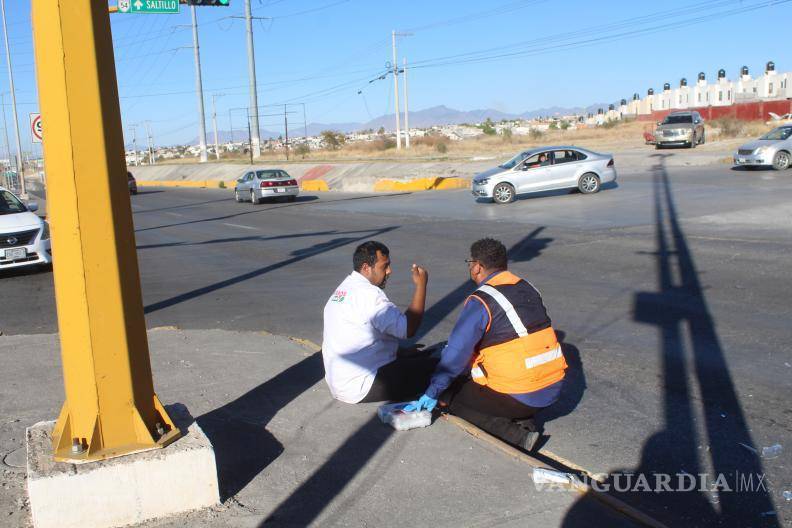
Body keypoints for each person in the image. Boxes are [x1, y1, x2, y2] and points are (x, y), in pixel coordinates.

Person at [406, 238, 566, 451]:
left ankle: (516, 436)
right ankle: (523, 417)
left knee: (449, 394)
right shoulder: (526, 287)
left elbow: (457, 353)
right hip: (553, 388)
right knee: (478, 377)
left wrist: (433, 391)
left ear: (477, 266)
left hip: (521, 393)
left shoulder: (482, 300)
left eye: (470, 263)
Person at [322, 240, 435, 404]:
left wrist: (399, 352)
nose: (389, 271)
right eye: (384, 266)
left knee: (419, 358)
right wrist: (421, 286)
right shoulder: (370, 295)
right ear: (366, 268)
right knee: (440, 367)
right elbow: (408, 329)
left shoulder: (344, 289)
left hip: (340, 382)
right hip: (362, 385)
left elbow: (359, 336)